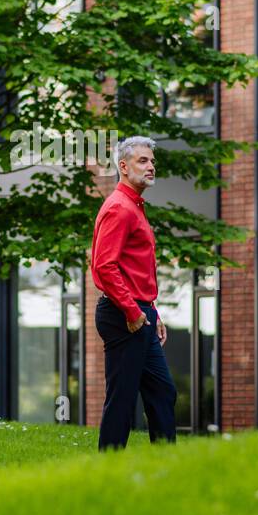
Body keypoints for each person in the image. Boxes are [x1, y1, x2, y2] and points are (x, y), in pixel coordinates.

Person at [90, 135, 177, 450]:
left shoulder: (134, 207)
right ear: (123, 167)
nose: (151, 166)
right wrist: (133, 311)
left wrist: (152, 311)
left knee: (162, 391)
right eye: (143, 161)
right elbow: (104, 267)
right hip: (123, 314)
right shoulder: (119, 208)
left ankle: (167, 465)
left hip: (141, 313)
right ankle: (109, 467)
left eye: (152, 161)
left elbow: (133, 270)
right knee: (123, 398)